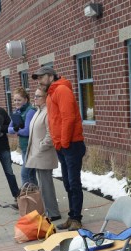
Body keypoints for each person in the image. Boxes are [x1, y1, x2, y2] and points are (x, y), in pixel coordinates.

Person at [32, 66, 86, 230]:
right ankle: (72, 216)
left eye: (41, 78)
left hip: (71, 144)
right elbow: (54, 120)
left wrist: (63, 142)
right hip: (62, 145)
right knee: (68, 184)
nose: (39, 82)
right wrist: (59, 143)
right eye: (38, 79)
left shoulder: (62, 89)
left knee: (74, 183)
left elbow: (68, 118)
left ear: (50, 76)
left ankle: (76, 218)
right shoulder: (51, 94)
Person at [24, 88, 61, 221]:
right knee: (43, 185)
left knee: (46, 185)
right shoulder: (38, 112)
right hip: (37, 154)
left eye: (38, 96)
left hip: (43, 154)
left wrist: (41, 147)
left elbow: (51, 134)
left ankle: (53, 212)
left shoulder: (47, 112)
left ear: (46, 97)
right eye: (34, 96)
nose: (35, 98)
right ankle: (48, 210)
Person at [7, 88, 37, 187]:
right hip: (24, 147)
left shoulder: (30, 111)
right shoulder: (17, 112)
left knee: (25, 174)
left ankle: (26, 198)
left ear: (26, 100)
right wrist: (16, 129)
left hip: (31, 147)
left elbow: (27, 131)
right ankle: (36, 198)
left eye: (19, 100)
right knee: (31, 174)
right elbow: (9, 129)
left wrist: (16, 130)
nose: (16, 102)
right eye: (15, 100)